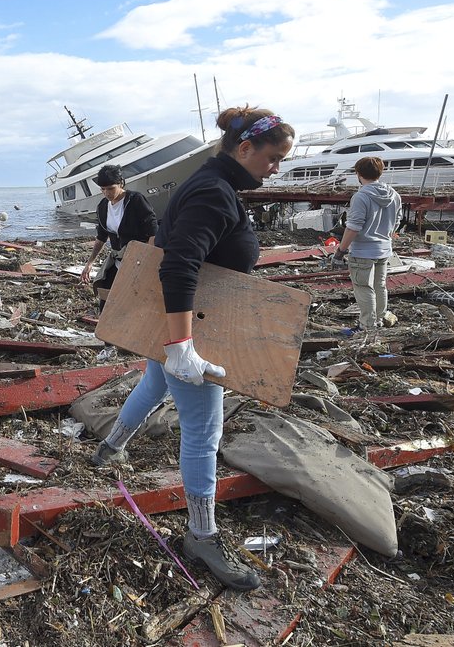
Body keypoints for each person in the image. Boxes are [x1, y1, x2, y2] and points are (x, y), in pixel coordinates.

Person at [91, 106, 295, 591]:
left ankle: (110, 446)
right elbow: (178, 265)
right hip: (192, 330)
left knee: (153, 381)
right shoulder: (212, 191)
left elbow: (168, 242)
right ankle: (202, 536)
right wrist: (182, 345)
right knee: (203, 432)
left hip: (178, 324)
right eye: (272, 158)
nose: (276, 168)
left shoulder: (207, 181)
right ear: (244, 148)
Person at [333, 156, 402, 331]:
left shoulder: (361, 196)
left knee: (364, 287)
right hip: (384, 249)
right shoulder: (394, 195)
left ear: (359, 173)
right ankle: (379, 319)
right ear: (380, 172)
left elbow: (353, 227)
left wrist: (341, 251)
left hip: (363, 251)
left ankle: (367, 325)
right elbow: (397, 222)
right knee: (380, 285)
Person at [79, 165, 157, 306]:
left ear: (120, 183)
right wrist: (89, 263)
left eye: (110, 188)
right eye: (103, 189)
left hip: (138, 259)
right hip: (117, 259)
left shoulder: (135, 200)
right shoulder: (102, 206)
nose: (106, 193)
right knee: (105, 298)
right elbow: (101, 237)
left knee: (134, 299)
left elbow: (152, 231)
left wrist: (150, 260)